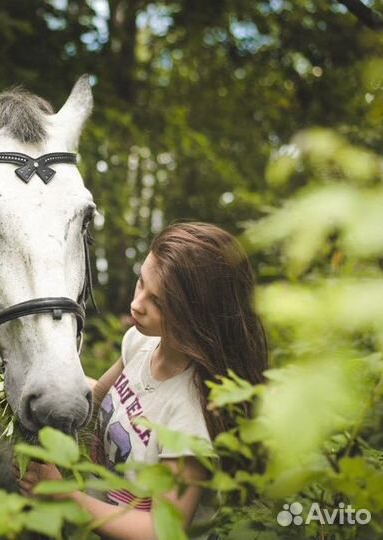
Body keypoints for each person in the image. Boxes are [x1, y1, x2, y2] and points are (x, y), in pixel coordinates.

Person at [18, 222, 268, 539]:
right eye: (141, 283)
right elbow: (95, 398)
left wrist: (64, 495)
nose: (137, 304)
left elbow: (161, 530)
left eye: (159, 302)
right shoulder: (141, 343)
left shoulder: (190, 415)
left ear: (201, 314)